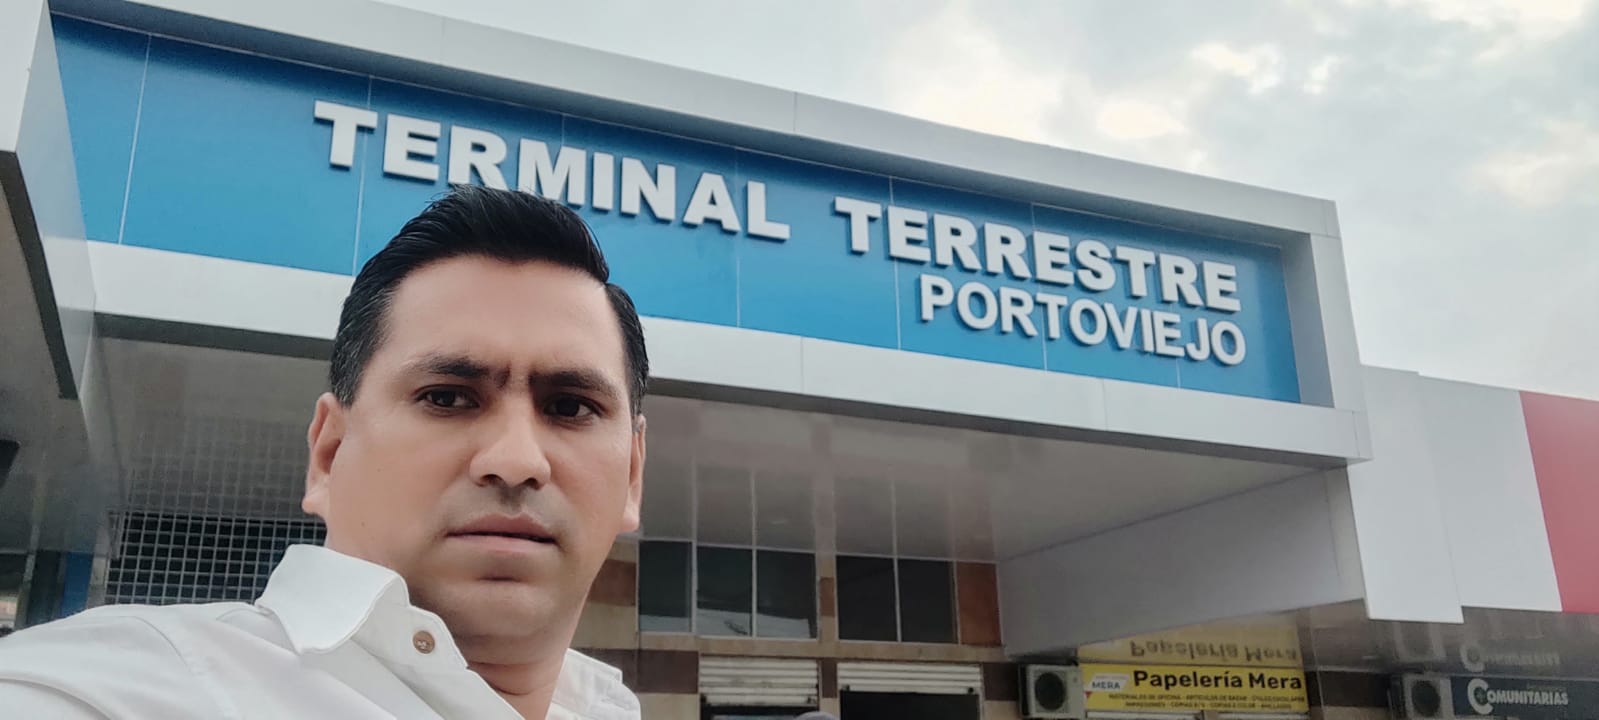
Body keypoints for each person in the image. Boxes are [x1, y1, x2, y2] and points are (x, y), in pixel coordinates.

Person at [0, 185, 649, 719]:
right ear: (329, 454)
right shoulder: (119, 691)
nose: (516, 460)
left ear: (632, 476)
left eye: (571, 408)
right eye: (448, 398)